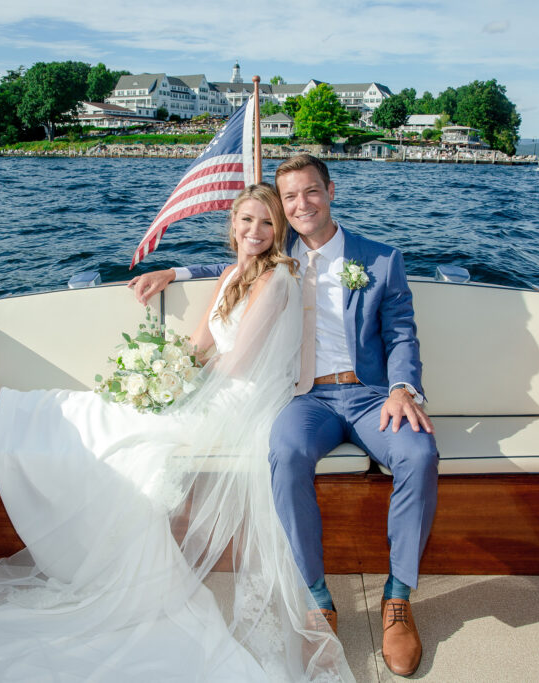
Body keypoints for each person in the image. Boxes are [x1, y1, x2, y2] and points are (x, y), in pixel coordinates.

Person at [0, 184, 355, 682]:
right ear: (232, 224)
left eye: (266, 223)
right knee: (109, 404)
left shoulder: (279, 277)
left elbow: (237, 363)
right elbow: (199, 346)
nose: (255, 232)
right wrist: (160, 370)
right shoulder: (232, 274)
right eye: (246, 221)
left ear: (279, 229)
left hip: (236, 399)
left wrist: (174, 386)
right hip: (210, 385)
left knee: (114, 419)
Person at [129, 154, 439, 677]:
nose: (301, 205)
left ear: (330, 191)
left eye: (310, 192)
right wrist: (173, 271)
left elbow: (403, 332)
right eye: (290, 197)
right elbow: (231, 266)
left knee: (419, 451)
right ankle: (317, 595)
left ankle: (398, 597)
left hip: (369, 396)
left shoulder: (381, 259)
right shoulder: (280, 248)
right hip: (306, 399)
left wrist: (403, 387)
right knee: (286, 451)